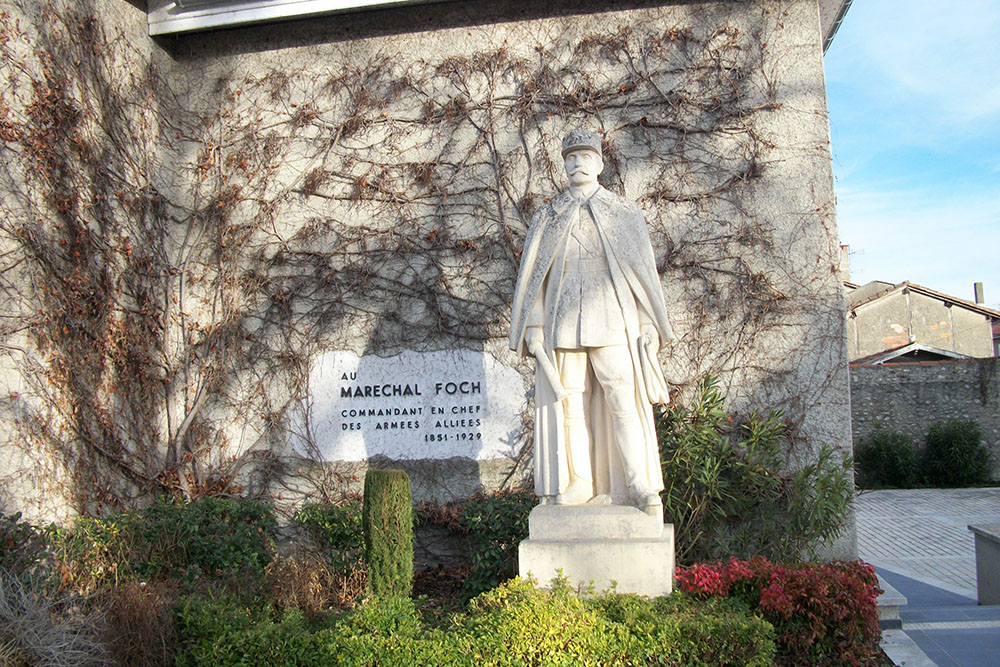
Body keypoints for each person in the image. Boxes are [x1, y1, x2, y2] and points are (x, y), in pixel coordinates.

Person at [509, 129, 674, 513]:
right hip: (564, 316)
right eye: (570, 157)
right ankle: (579, 480)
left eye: (585, 156)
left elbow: (641, 275)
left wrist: (648, 324)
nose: (576, 163)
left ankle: (637, 483)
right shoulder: (548, 215)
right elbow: (537, 278)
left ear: (599, 164)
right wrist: (533, 327)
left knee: (623, 399)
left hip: (612, 315)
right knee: (570, 406)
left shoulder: (624, 212)